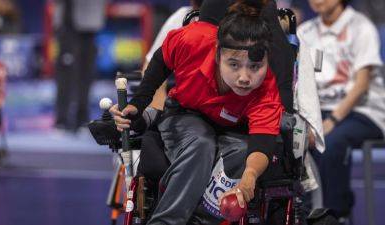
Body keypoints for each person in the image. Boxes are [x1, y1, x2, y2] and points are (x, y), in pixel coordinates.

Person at [111, 1, 291, 224]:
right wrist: (138, 103)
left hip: (234, 129)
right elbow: (160, 60)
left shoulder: (267, 89)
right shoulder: (193, 40)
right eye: (234, 65)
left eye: (255, 66)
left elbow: (262, 142)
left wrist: (249, 176)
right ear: (218, 54)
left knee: (242, 153)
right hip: (185, 114)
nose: (244, 77)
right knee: (201, 143)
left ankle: (200, 220)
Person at [298, 0, 385, 221]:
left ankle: (337, 215)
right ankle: (303, 213)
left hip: (363, 111)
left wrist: (332, 121)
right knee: (292, 141)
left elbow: (361, 84)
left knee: (331, 142)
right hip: (319, 110)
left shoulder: (361, 26)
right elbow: (298, 83)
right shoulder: (304, 31)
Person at [53, 0, 107, 132]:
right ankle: (62, 120)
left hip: (89, 21)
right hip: (66, 22)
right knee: (66, 71)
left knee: (85, 73)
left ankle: (82, 118)